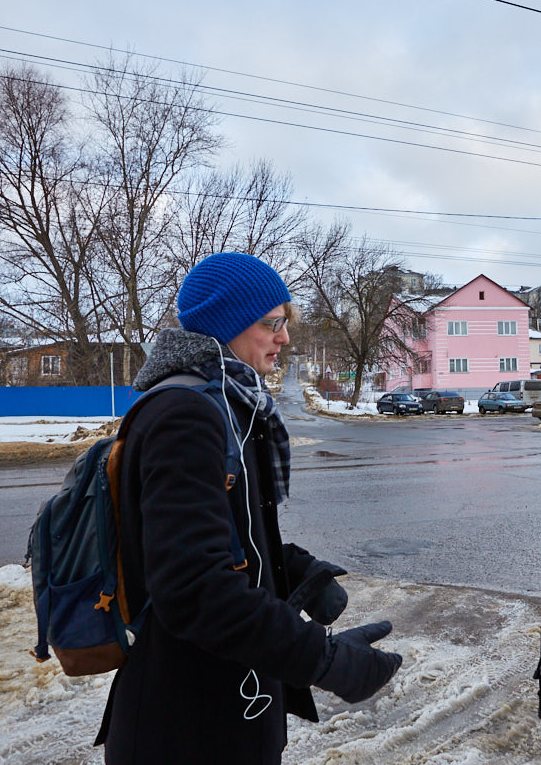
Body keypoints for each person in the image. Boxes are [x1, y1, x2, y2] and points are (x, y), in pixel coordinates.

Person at [97, 253, 402, 764]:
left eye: (284, 323)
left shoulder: (228, 405)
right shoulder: (185, 415)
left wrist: (298, 571)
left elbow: (228, 535)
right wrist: (325, 661)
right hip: (185, 727)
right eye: (271, 323)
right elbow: (195, 590)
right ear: (227, 325)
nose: (284, 338)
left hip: (230, 704)